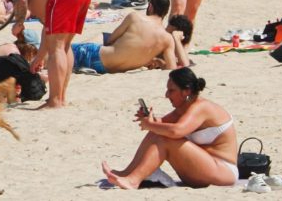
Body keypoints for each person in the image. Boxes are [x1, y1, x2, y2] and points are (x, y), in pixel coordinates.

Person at [102, 68, 238, 189]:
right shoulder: (183, 108)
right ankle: (127, 173)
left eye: (171, 90)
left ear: (186, 91)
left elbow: (175, 131)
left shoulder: (201, 107)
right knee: (156, 132)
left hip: (223, 171)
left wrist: (150, 125)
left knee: (164, 137)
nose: (167, 95)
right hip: (201, 169)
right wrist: (149, 119)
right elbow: (161, 124)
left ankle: (133, 181)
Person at [0, 0, 89, 108]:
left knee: (57, 48)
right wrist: (40, 56)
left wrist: (19, 22)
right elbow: (47, 29)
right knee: (64, 45)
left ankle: (55, 101)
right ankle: (61, 97)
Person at [71, 0, 189, 75]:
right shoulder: (167, 39)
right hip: (106, 70)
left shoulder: (135, 17)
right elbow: (171, 69)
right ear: (165, 12)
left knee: (62, 51)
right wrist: (158, 62)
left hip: (95, 56)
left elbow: (111, 39)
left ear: (151, 7)